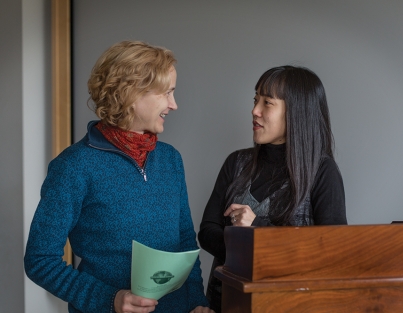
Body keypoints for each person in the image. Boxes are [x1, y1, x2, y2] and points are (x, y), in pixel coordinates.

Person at [24, 41, 213, 313]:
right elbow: (40, 260)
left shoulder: (171, 159)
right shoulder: (74, 165)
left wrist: (196, 302)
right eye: (167, 93)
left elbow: (184, 242)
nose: (174, 104)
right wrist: (109, 299)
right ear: (131, 94)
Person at [198, 65, 347, 312]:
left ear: (296, 112)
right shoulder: (235, 163)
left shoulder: (323, 172)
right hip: (225, 303)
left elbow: (331, 253)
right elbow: (206, 232)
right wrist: (248, 242)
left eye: (267, 102)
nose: (254, 110)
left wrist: (256, 231)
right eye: (255, 100)